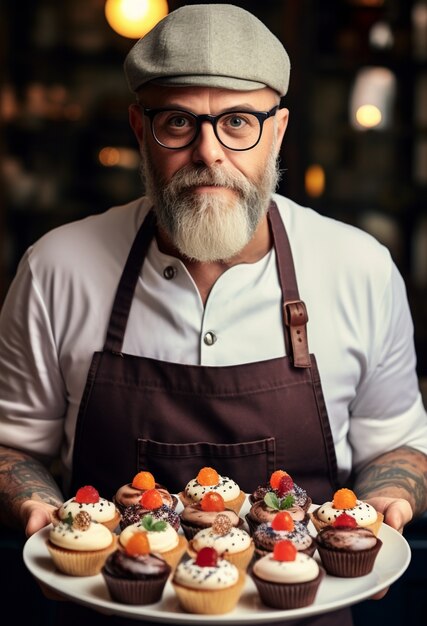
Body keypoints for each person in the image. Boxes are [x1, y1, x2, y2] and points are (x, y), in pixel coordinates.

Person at [0, 4, 426, 626]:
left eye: (238, 122)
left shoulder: (359, 267)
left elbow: (400, 444)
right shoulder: (56, 268)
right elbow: (13, 446)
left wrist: (385, 502)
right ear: (139, 129)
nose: (209, 153)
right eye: (178, 121)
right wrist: (36, 508)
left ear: (278, 130)